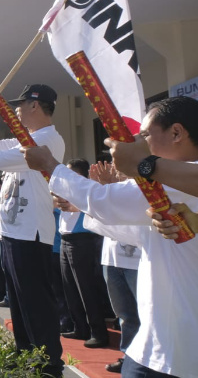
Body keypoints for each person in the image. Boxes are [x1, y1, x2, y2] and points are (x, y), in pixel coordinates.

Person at [21, 96, 198, 377]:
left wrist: (51, 165)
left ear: (176, 132)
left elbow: (102, 199)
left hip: (174, 351)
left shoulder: (174, 182)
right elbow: (135, 232)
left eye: (144, 136)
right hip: (158, 342)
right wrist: (84, 208)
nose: (137, 144)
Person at [0, 83, 66, 378]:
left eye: (21, 104)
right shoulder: (26, 137)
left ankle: (48, 365)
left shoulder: (45, 140)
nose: (16, 109)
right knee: (18, 303)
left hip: (31, 234)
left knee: (36, 303)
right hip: (11, 233)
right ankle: (25, 355)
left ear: (36, 105)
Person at [89, 160, 141, 374]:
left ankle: (144, 359)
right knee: (124, 314)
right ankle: (129, 355)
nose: (113, 166)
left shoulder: (141, 186)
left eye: (117, 162)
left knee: (144, 313)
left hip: (137, 262)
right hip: (112, 259)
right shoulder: (111, 188)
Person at [55, 158, 112, 349]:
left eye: (73, 173)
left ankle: (98, 332)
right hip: (66, 238)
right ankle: (80, 327)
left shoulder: (88, 188)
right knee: (70, 287)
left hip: (82, 240)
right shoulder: (66, 189)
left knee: (86, 288)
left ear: (82, 174)